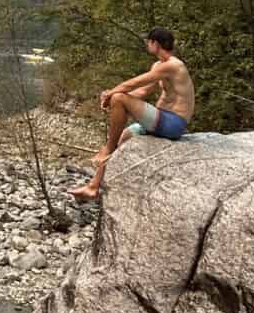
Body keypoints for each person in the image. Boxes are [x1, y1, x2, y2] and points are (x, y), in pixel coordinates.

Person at [71, 28, 195, 202]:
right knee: (124, 135)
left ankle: (107, 148)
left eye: (148, 42)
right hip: (160, 120)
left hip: (173, 123)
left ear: (155, 43)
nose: (146, 45)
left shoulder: (173, 65)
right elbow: (142, 90)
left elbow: (134, 83)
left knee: (119, 97)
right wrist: (113, 98)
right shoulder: (158, 66)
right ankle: (93, 187)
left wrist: (113, 94)